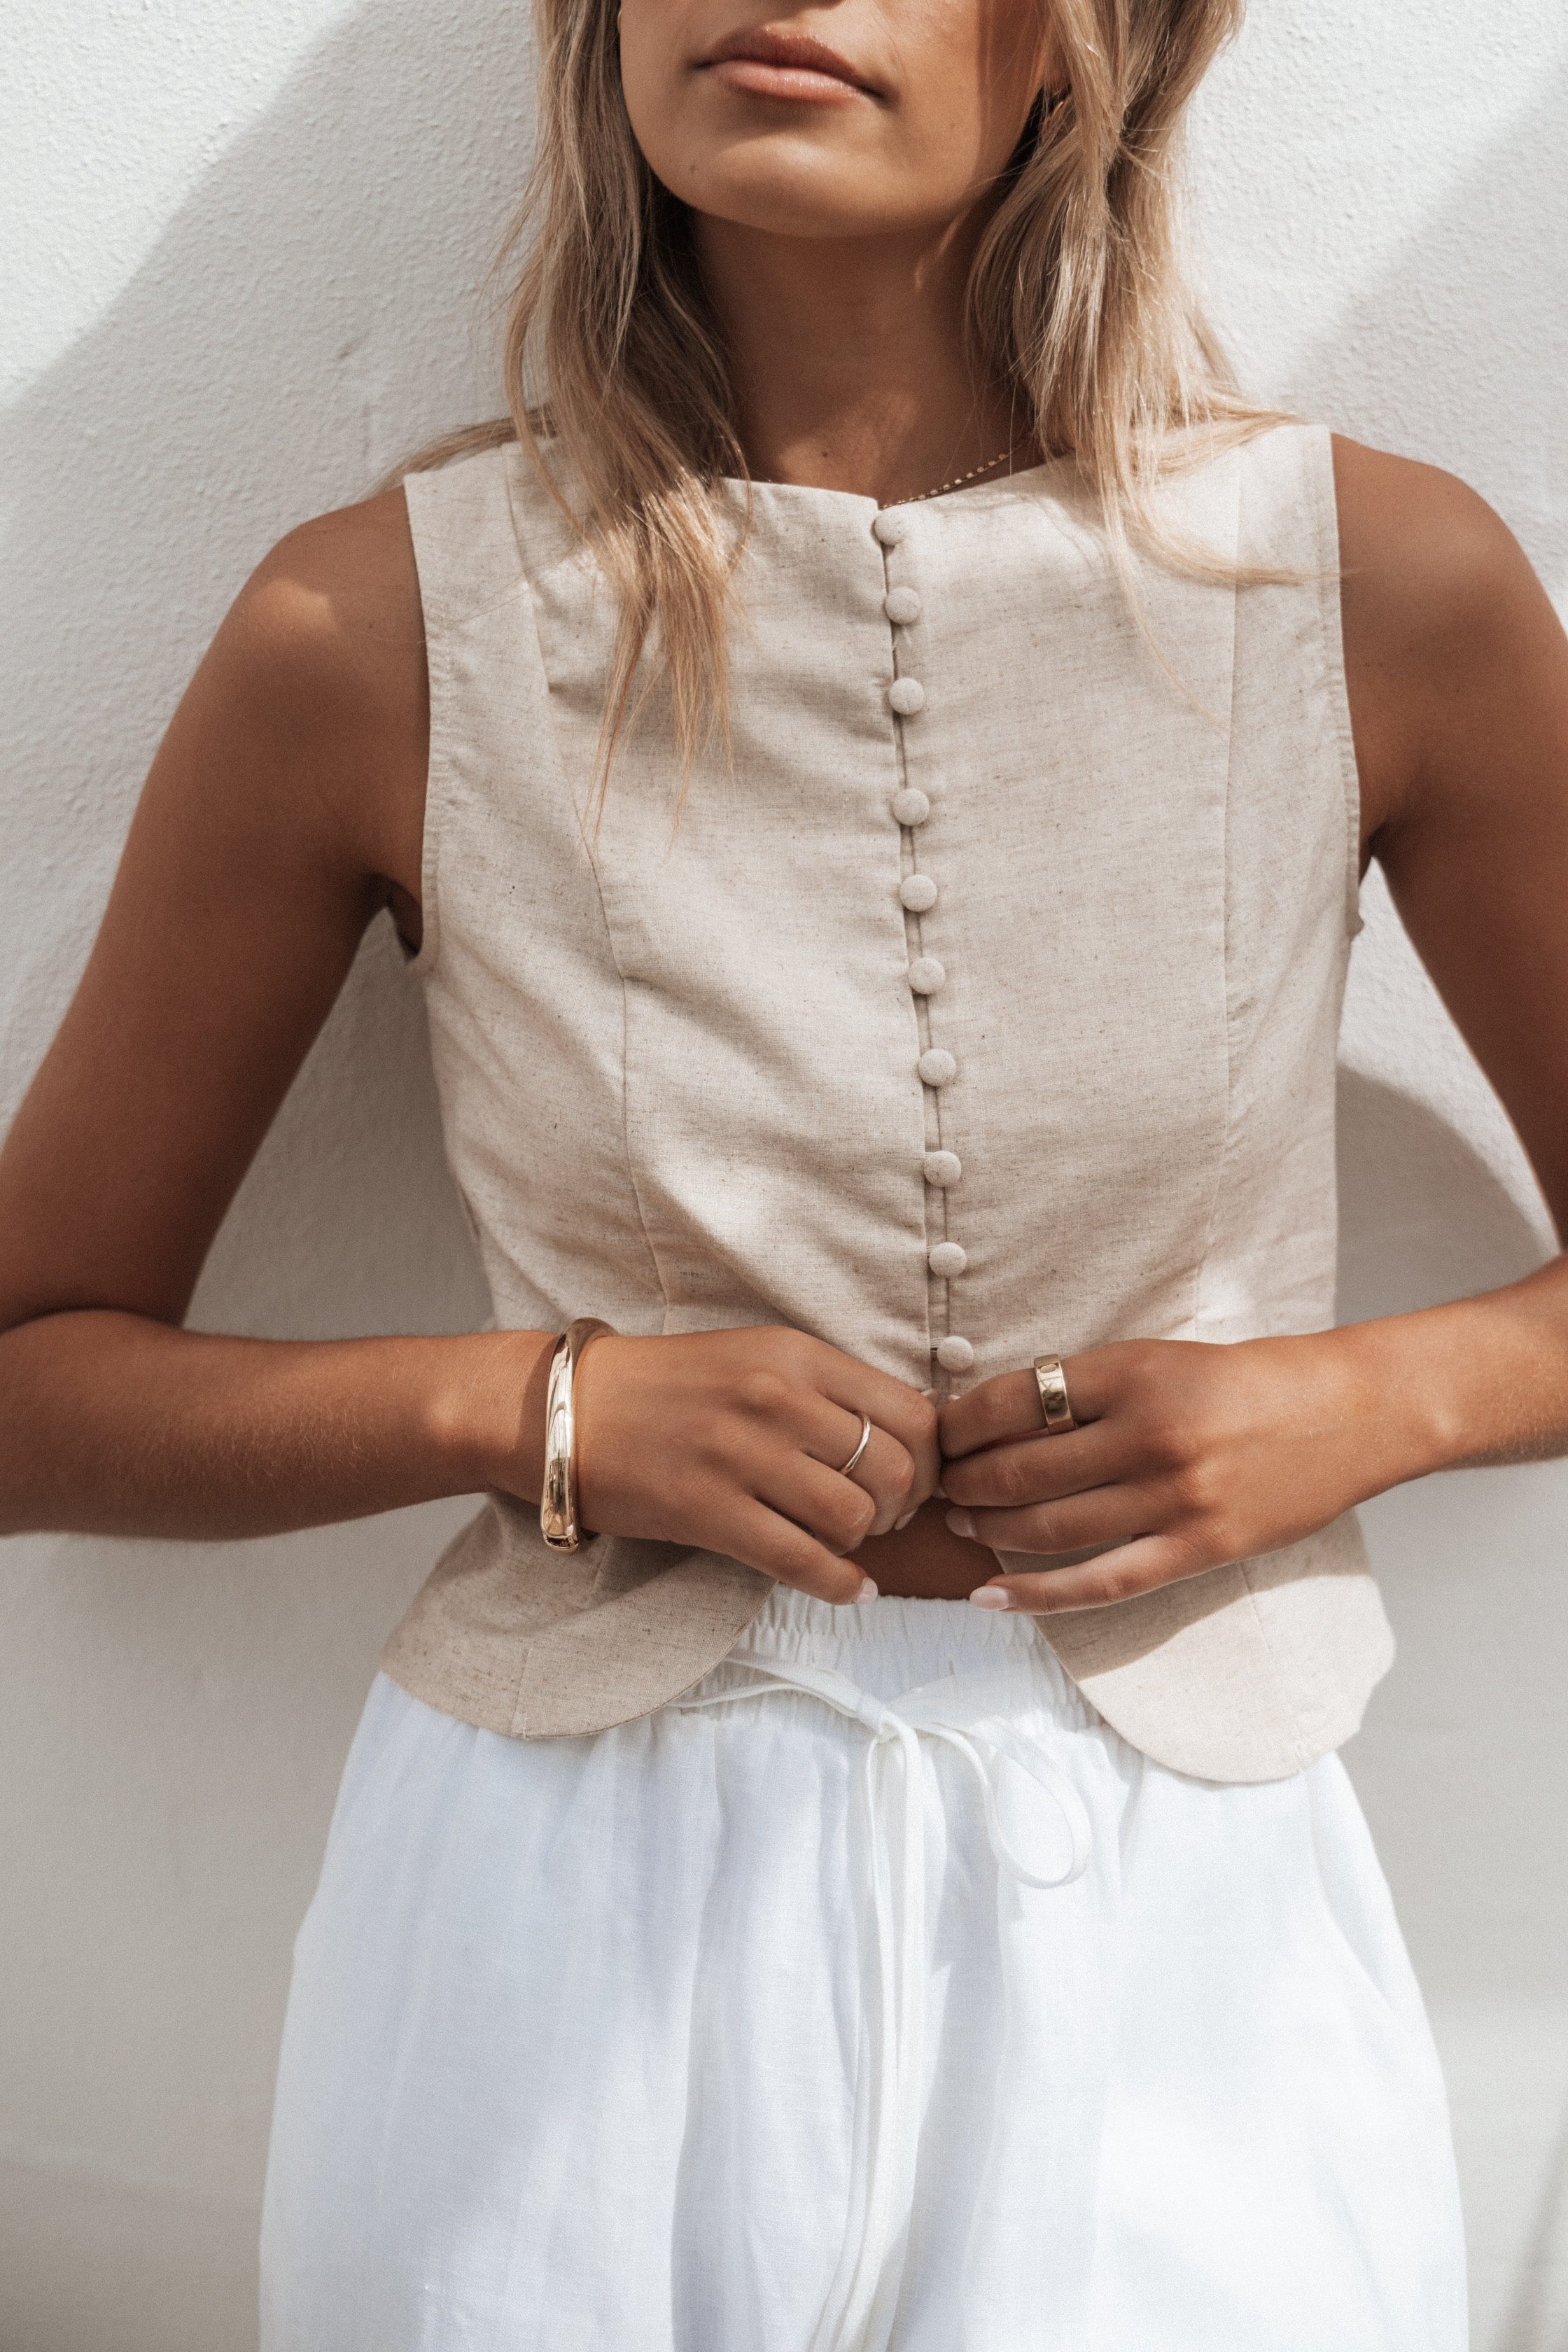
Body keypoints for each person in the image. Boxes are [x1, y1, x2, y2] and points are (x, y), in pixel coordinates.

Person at [4, 0, 1565, 2342]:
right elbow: (31, 1376)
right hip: (553, 1922)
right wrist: (538, 1408)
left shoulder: (1375, 585)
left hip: (1186, 1914)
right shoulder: (373, 628)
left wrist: (1354, 1406)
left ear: (1091, 41)